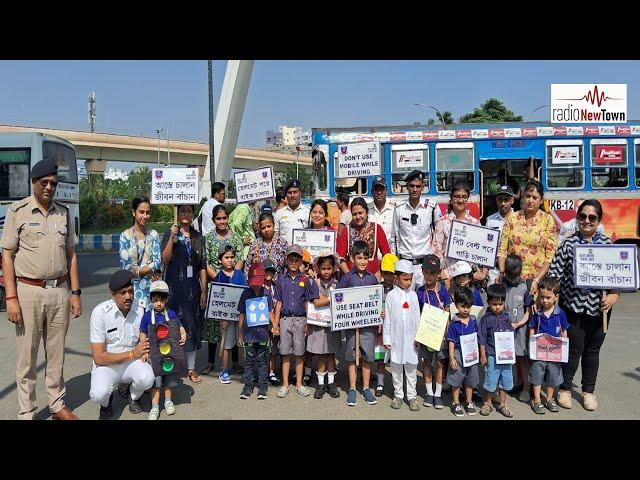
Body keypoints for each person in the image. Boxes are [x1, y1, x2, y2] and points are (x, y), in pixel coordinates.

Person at [1, 159, 83, 420]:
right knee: (27, 357)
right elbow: (7, 256)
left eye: (53, 184)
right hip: (28, 292)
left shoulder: (64, 213)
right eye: (44, 183)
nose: (49, 187)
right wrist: (11, 297)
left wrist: (76, 293)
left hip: (59, 291)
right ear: (34, 183)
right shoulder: (18, 211)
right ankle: (27, 411)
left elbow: (71, 254)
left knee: (56, 353)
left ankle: (57, 404)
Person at [548, 199, 620, 411]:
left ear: (599, 220)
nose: (587, 221)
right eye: (583, 217)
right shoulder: (568, 244)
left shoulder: (608, 245)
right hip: (573, 308)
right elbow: (555, 274)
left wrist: (615, 296)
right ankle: (565, 389)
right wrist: (548, 297)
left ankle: (588, 391)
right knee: (573, 350)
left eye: (592, 217)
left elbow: (620, 277)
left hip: (601, 309)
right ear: (577, 218)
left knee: (592, 350)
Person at [89, 270, 154, 419]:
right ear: (113, 294)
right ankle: (106, 403)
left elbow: (146, 339)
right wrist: (133, 353)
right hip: (108, 365)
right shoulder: (100, 313)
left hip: (132, 363)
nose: (128, 297)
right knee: (99, 394)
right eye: (123, 293)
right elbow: (98, 357)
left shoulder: (141, 309)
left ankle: (134, 396)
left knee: (147, 378)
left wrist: (145, 351)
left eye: (131, 291)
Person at [161, 204, 207, 385]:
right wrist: (172, 238)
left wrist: (203, 291)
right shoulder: (169, 233)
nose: (186, 214)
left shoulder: (198, 237)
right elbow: (164, 260)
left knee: (192, 325)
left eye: (189, 211)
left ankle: (190, 367)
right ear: (178, 213)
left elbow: (202, 265)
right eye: (182, 211)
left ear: (193, 214)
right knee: (173, 325)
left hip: (192, 290)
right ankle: (171, 365)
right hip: (174, 289)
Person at [202, 204, 245, 376]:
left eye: (224, 218)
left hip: (233, 286)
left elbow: (240, 259)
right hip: (216, 285)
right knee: (215, 325)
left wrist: (233, 277)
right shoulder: (209, 238)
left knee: (232, 322)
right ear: (213, 220)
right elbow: (206, 263)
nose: (222, 221)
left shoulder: (235, 237)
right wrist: (220, 278)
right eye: (218, 218)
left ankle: (235, 362)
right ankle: (211, 361)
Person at [497, 179, 558, 297]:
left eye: (534, 198)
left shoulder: (547, 220)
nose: (530, 201)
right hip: (511, 280)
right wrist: (502, 272)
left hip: (536, 282)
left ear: (541, 201)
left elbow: (549, 256)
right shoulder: (512, 218)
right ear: (523, 198)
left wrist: (537, 280)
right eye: (528, 196)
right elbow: (502, 250)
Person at [338, 240, 380, 407]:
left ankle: (367, 388)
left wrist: (379, 311)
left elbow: (377, 299)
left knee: (367, 357)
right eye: (359, 257)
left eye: (365, 258)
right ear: (352, 259)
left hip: (368, 327)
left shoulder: (372, 279)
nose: (362, 261)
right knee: (351, 356)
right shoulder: (347, 278)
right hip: (351, 327)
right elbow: (339, 299)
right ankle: (353, 388)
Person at [273, 244, 318, 398]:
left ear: (301, 262)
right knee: (285, 353)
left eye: (297, 259)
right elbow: (278, 303)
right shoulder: (281, 280)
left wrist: (308, 322)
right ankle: (285, 384)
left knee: (299, 353)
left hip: (300, 319)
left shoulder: (305, 280)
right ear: (286, 260)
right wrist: (275, 324)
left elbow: (307, 303)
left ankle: (299, 384)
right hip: (285, 319)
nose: (293, 262)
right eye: (291, 259)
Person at [139, 280, 186, 420]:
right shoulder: (147, 316)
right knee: (156, 381)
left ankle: (168, 401)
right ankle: (155, 407)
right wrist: (144, 348)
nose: (158, 304)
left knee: (169, 379)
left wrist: (183, 333)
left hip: (170, 354)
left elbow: (179, 326)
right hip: (155, 356)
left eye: (161, 300)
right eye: (155, 300)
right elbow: (142, 332)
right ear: (151, 300)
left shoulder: (170, 314)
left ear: (166, 300)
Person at [391, 170, 441, 288]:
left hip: (425, 266)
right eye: (412, 186)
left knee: (426, 302)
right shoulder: (399, 209)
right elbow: (394, 237)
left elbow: (438, 237)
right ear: (407, 187)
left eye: (418, 186)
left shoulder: (431, 208)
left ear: (422, 187)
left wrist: (436, 263)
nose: (415, 189)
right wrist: (395, 264)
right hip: (404, 264)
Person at [383, 259, 421, 411]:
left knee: (411, 369)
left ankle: (412, 396)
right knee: (397, 368)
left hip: (411, 339)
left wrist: (419, 337)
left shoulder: (413, 296)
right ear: (397, 278)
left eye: (410, 279)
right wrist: (387, 338)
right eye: (405, 279)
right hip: (396, 338)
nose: (408, 282)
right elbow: (388, 319)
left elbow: (417, 317)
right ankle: (398, 394)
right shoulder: (391, 296)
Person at [432, 180, 486, 286]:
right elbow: (436, 252)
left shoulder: (475, 223)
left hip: (469, 278)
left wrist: (483, 273)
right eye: (457, 196)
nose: (460, 200)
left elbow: (484, 251)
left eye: (464, 196)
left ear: (467, 199)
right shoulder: (442, 222)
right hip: (449, 277)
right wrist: (443, 277)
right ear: (451, 199)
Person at [528, 276, 569, 415]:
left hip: (554, 352)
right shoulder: (537, 313)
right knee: (537, 374)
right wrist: (531, 343)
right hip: (539, 351)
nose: (544, 300)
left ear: (556, 297)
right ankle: (537, 399)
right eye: (541, 297)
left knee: (553, 376)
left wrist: (565, 346)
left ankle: (550, 399)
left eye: (548, 297)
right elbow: (532, 328)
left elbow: (564, 330)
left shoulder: (560, 314)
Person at [416, 254, 452, 409]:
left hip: (440, 334)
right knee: (426, 362)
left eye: (433, 273)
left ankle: (438, 394)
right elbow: (416, 313)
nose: (429, 276)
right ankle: (429, 392)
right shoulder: (419, 292)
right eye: (426, 272)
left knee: (439, 363)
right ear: (422, 271)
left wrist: (447, 331)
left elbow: (449, 310)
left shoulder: (443, 291)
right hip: (425, 333)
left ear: (439, 273)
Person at [237, 263, 275, 400]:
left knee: (263, 361)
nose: (255, 286)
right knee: (249, 361)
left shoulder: (267, 294)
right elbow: (241, 314)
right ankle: (247, 386)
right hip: (249, 335)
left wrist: (275, 324)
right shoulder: (245, 293)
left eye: (257, 283)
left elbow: (270, 312)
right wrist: (240, 333)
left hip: (264, 334)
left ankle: (263, 387)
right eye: (253, 283)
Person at [211, 245, 248, 384]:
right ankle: (224, 370)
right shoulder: (218, 277)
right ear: (220, 260)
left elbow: (245, 292)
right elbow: (217, 300)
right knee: (227, 344)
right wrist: (222, 318)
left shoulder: (239, 274)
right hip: (225, 318)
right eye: (226, 257)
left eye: (232, 257)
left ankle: (246, 369)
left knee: (242, 343)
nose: (230, 260)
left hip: (240, 316)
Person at [308, 251, 341, 399]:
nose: (326, 271)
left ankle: (331, 383)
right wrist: (330, 298)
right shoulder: (314, 283)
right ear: (318, 268)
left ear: (333, 268)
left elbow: (340, 301)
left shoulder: (337, 284)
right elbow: (316, 302)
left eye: (329, 268)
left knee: (331, 354)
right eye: (323, 268)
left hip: (332, 326)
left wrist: (325, 298)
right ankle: (321, 384)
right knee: (321, 355)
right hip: (318, 325)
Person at [478, 283, 515, 418]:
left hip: (505, 356)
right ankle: (487, 403)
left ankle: (503, 403)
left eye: (500, 304)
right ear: (488, 303)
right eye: (494, 304)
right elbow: (481, 338)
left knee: (505, 380)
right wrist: (483, 355)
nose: (498, 307)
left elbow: (510, 336)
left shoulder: (506, 317)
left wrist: (511, 354)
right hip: (492, 355)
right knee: (491, 379)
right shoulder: (486, 319)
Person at [119, 196, 162, 309]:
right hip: (131, 289)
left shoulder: (153, 235)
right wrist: (147, 270)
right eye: (141, 212)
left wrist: (137, 271)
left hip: (152, 289)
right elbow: (126, 267)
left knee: (150, 323)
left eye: (147, 213)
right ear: (134, 213)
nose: (145, 216)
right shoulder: (125, 236)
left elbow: (158, 261)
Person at [503, 253, 533, 403]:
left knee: (522, 358)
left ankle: (527, 388)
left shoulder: (524, 287)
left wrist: (520, 323)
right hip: (505, 328)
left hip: (520, 329)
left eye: (515, 276)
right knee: (510, 357)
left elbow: (529, 310)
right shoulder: (502, 284)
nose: (512, 279)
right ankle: (517, 383)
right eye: (510, 276)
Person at [446, 286, 480, 417]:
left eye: (468, 306)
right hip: (459, 354)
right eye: (462, 306)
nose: (465, 309)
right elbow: (451, 341)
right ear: (456, 305)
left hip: (471, 354)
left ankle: (469, 401)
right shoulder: (454, 323)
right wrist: (452, 358)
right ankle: (456, 403)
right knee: (456, 379)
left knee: (470, 380)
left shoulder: (473, 320)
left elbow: (477, 337)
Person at [337, 196, 391, 277]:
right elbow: (340, 257)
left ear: (366, 212)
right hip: (351, 278)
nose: (358, 217)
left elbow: (387, 254)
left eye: (360, 213)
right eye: (354, 214)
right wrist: (349, 275)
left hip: (373, 277)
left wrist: (380, 273)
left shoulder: (377, 228)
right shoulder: (347, 230)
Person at [375, 252, 399, 397]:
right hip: (380, 330)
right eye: (386, 273)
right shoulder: (377, 289)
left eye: (392, 273)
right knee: (380, 358)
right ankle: (380, 383)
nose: (389, 277)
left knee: (396, 359)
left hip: (395, 331)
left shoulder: (400, 291)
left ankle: (397, 386)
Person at [485, 186, 515, 286]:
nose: (503, 203)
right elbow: (486, 245)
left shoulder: (519, 219)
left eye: (506, 200)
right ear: (496, 201)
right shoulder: (490, 220)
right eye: (500, 200)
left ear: (512, 200)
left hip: (513, 270)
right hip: (495, 269)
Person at [244, 211, 289, 276]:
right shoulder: (255, 244)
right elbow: (247, 267)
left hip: (279, 283)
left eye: (269, 226)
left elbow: (287, 265)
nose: (266, 230)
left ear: (274, 225)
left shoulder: (282, 243)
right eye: (263, 228)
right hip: (260, 283)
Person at [273, 179, 310, 245]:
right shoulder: (279, 213)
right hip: (284, 253)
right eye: (289, 193)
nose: (292, 196)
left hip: (304, 253)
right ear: (286, 195)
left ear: (300, 193)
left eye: (295, 192)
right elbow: (275, 236)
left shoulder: (308, 211)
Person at [262, 259, 281, 386]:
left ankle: (272, 372)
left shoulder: (276, 286)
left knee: (273, 350)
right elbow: (264, 308)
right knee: (262, 349)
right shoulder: (259, 287)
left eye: (271, 271)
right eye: (266, 270)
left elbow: (279, 304)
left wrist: (276, 324)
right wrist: (272, 324)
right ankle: (262, 372)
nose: (269, 273)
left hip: (275, 322)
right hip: (263, 324)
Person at [368, 176, 395, 246]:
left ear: (387, 191)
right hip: (371, 255)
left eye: (382, 189)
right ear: (372, 191)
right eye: (376, 189)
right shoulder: (366, 210)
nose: (379, 192)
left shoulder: (394, 210)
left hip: (389, 254)